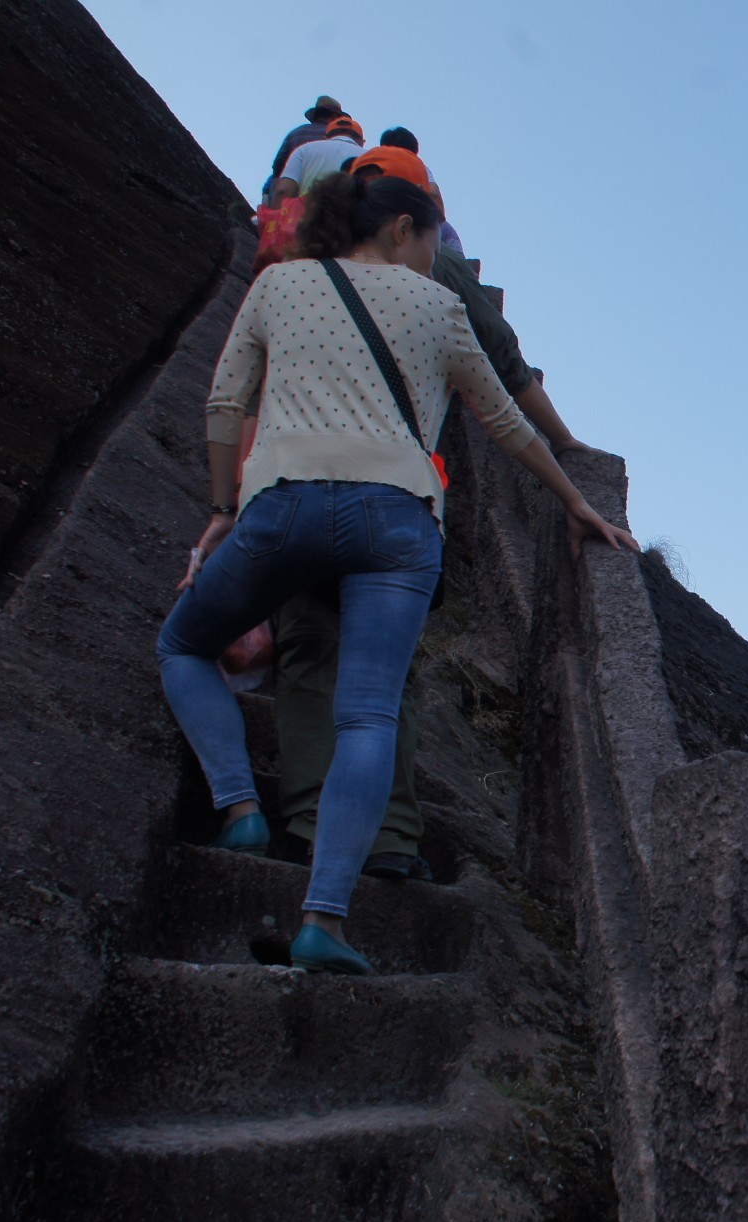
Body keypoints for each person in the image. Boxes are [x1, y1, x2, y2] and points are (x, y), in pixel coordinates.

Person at [161, 172, 637, 974]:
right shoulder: (438, 307)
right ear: (399, 230)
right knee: (369, 715)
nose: (429, 258)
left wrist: (219, 510)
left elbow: (223, 402)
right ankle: (325, 917)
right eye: (427, 243)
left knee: (183, 644)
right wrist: (572, 501)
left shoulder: (279, 285)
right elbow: (505, 419)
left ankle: (240, 805)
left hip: (285, 504)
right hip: (397, 519)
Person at [263, 144, 610, 884]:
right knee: (384, 680)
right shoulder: (438, 285)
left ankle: (299, 825)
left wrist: (233, 506)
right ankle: (385, 841)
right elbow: (506, 386)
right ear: (408, 218)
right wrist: (572, 470)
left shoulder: (292, 274)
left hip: (295, 493)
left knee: (307, 657)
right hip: (394, 507)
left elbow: (242, 394)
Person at [376, 127, 464, 254]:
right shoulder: (417, 165)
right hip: (415, 227)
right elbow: (433, 194)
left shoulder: (371, 162)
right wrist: (439, 222)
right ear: (414, 151)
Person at [262, 95, 343, 205]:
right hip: (326, 198)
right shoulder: (338, 138)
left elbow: (278, 167)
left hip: (291, 197)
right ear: (334, 117)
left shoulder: (295, 133)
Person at [271, 116, 366, 200]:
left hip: (308, 216)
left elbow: (282, 191)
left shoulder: (304, 149)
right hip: (352, 218)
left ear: (325, 137)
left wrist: (275, 218)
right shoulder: (368, 156)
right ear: (362, 142)